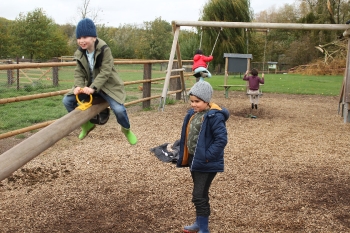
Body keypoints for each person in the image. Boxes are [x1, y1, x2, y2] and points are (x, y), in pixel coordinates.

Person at [62, 18, 137, 145]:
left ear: (94, 38)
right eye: (79, 38)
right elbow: (79, 71)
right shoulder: (80, 53)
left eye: (85, 37)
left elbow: (105, 72)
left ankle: (126, 129)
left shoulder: (104, 50)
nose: (81, 41)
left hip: (107, 86)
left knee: (119, 109)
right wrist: (79, 86)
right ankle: (86, 125)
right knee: (67, 101)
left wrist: (93, 87)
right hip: (90, 86)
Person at [177, 81, 229, 233]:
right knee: (201, 193)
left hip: (206, 162)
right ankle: (199, 223)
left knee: (198, 195)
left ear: (206, 101)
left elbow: (221, 140)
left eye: (197, 101)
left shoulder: (214, 117)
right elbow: (190, 135)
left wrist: (207, 156)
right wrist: (178, 146)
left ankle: (204, 229)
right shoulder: (194, 115)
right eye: (192, 101)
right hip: (194, 159)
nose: (193, 104)